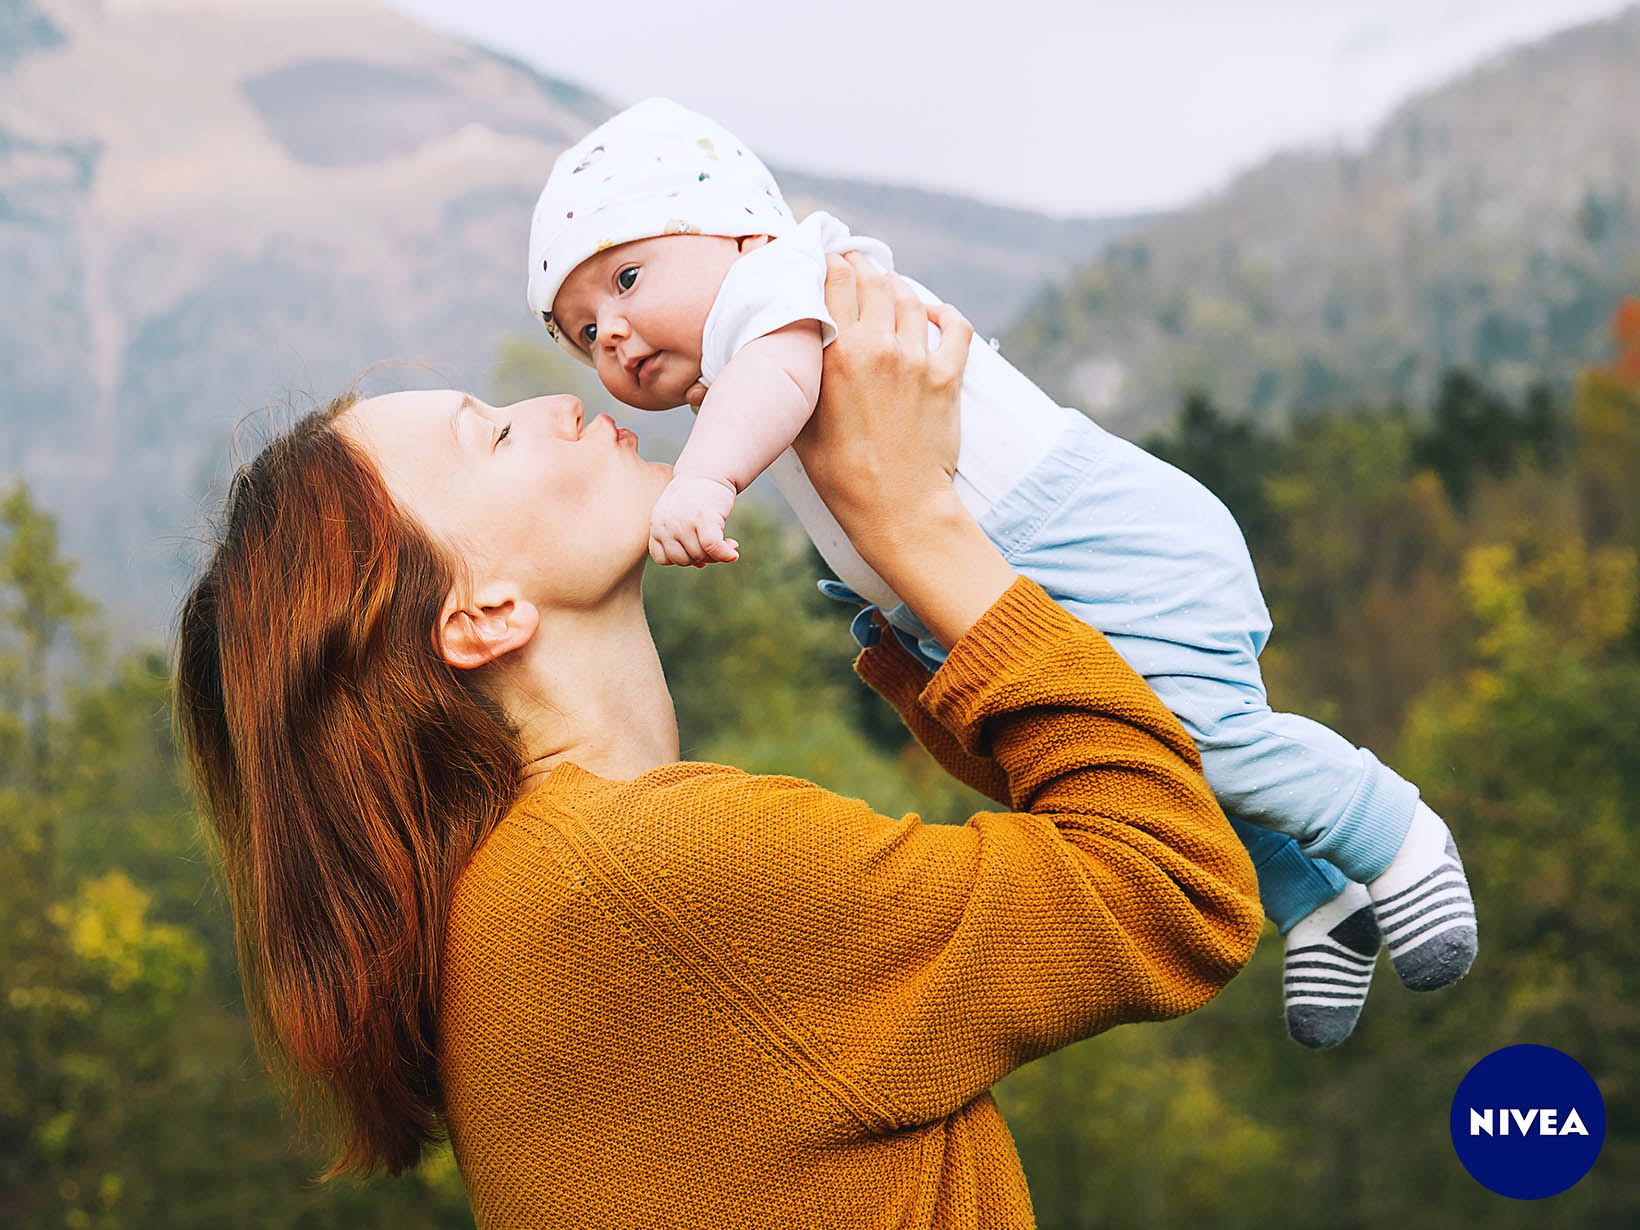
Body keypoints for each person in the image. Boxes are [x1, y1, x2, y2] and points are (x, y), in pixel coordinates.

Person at [174, 254, 1263, 1227]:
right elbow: (1172, 884)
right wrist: (907, 517)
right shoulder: (658, 878)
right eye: (494, 434)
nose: (556, 401)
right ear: (479, 615)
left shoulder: (534, 900)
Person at [525, 98, 1478, 1048]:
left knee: (1205, 733)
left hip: (1092, 536)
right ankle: (1318, 902)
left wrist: (705, 480)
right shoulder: (746, 327)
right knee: (1154, 755)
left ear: (736, 229)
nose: (608, 330)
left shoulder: (778, 285)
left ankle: (1391, 831)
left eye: (628, 277)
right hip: (1009, 571)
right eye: (579, 331)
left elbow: (778, 381)